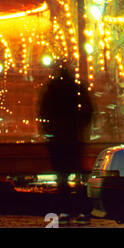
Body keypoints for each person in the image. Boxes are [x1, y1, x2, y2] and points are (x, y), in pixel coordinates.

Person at [38, 65, 93, 216]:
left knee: (62, 177)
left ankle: (65, 210)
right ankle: (82, 210)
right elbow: (88, 108)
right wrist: (82, 126)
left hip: (58, 138)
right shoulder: (76, 87)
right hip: (73, 135)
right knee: (78, 175)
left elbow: (43, 111)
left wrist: (47, 130)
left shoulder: (52, 89)